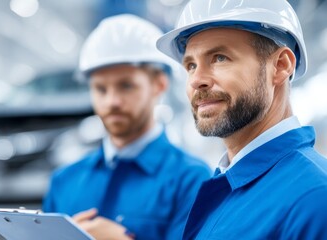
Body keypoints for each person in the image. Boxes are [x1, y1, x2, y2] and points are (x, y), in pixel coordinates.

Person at [156, 0, 327, 239]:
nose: (196, 80)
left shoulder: (315, 198)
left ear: (280, 66)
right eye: (191, 65)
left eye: (219, 58)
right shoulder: (226, 188)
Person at [43, 14, 212, 240]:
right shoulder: (64, 181)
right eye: (101, 89)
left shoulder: (192, 180)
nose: (112, 101)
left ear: (159, 84)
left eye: (126, 86)